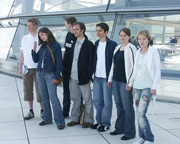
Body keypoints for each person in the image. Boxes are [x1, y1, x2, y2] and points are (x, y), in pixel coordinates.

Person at [32, 27, 65, 130]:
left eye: (42, 35)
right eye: (40, 35)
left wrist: (56, 76)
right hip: (40, 73)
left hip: (50, 74)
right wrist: (33, 50)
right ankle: (47, 118)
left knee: (53, 98)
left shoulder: (56, 46)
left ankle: (60, 122)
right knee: (44, 97)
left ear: (47, 34)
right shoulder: (42, 46)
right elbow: (35, 59)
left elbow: (59, 63)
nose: (41, 37)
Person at [108, 28, 136, 140]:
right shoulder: (117, 48)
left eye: (125, 35)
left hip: (125, 82)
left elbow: (134, 67)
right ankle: (120, 128)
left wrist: (130, 83)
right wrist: (110, 79)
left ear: (129, 37)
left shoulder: (131, 48)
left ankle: (130, 132)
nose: (122, 37)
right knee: (119, 105)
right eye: (120, 35)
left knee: (127, 107)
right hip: (115, 81)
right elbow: (113, 65)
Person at [132, 30, 161, 144]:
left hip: (147, 87)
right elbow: (135, 70)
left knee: (141, 113)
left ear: (148, 40)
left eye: (144, 39)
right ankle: (142, 137)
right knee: (138, 113)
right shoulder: (138, 51)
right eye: (139, 39)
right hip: (137, 86)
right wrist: (132, 85)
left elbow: (158, 70)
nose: (141, 41)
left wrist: (154, 87)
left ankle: (149, 138)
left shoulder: (153, 51)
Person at [67, 22, 95, 128]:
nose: (75, 31)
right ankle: (75, 118)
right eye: (73, 29)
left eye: (77, 29)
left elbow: (91, 62)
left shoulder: (89, 44)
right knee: (75, 99)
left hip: (83, 77)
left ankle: (89, 119)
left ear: (82, 30)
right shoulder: (73, 43)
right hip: (73, 76)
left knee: (87, 99)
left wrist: (88, 76)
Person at [91, 23, 117, 132]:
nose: (98, 32)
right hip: (97, 77)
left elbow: (114, 63)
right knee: (97, 100)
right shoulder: (96, 43)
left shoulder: (112, 44)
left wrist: (111, 78)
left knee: (107, 102)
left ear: (106, 32)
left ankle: (106, 123)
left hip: (107, 78)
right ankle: (99, 121)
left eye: (100, 30)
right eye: (97, 30)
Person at [19, 18, 43, 120]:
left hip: (39, 68)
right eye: (27, 25)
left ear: (35, 25)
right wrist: (20, 66)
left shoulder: (41, 37)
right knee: (27, 90)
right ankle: (31, 111)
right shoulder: (25, 38)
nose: (28, 27)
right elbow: (23, 53)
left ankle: (43, 110)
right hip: (27, 68)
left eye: (30, 25)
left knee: (40, 91)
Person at [62, 16, 77, 118]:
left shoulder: (78, 37)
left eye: (65, 24)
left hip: (74, 69)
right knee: (66, 90)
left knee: (76, 92)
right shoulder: (68, 35)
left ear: (70, 25)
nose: (65, 26)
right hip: (66, 68)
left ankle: (78, 112)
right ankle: (65, 111)